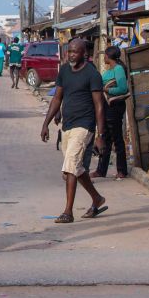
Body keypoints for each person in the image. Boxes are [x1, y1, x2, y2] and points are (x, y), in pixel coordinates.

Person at [41, 39, 107, 223]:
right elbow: (57, 98)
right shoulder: (64, 71)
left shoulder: (92, 74)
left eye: (75, 52)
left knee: (70, 165)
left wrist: (100, 135)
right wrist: (45, 123)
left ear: (84, 54)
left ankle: (68, 212)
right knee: (75, 169)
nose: (71, 55)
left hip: (84, 125)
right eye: (69, 51)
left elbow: (99, 105)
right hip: (67, 126)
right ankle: (97, 198)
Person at [95, 45, 130, 179]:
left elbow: (122, 88)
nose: (104, 57)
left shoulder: (119, 69)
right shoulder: (111, 69)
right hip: (107, 107)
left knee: (117, 139)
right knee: (106, 139)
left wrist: (107, 90)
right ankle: (101, 170)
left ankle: (122, 170)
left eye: (105, 55)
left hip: (115, 107)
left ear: (109, 57)